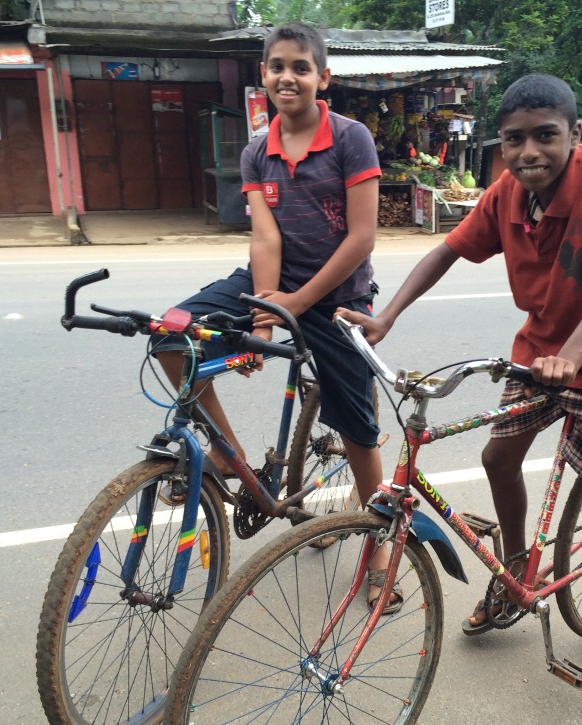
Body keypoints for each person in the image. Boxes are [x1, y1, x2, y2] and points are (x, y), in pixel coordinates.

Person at [336, 73, 582, 725]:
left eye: (545, 136)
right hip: (538, 356)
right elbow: (447, 251)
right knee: (499, 457)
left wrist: (575, 356)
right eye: (514, 140)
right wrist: (386, 318)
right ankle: (516, 569)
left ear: (575, 136)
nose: (529, 152)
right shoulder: (508, 196)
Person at [150, 22, 399, 611]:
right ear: (263, 75)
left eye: (301, 67)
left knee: (357, 426)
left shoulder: (351, 138)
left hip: (337, 295)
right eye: (277, 66)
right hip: (271, 286)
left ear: (323, 78)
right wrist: (265, 316)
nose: (288, 76)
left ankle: (382, 544)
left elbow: (362, 237)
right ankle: (225, 453)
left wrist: (297, 303)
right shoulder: (256, 150)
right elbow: (265, 238)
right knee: (169, 336)